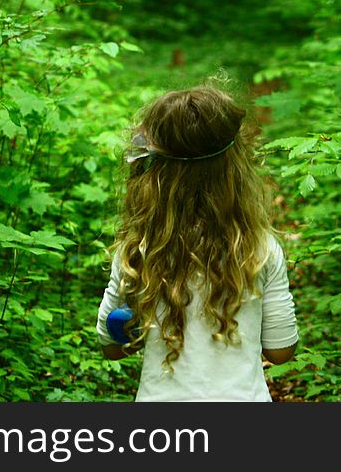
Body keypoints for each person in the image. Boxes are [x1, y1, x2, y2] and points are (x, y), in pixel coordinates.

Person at [95, 83, 299, 401]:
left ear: (154, 175)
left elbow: (111, 346)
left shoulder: (139, 250)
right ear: (234, 170)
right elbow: (281, 350)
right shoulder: (260, 249)